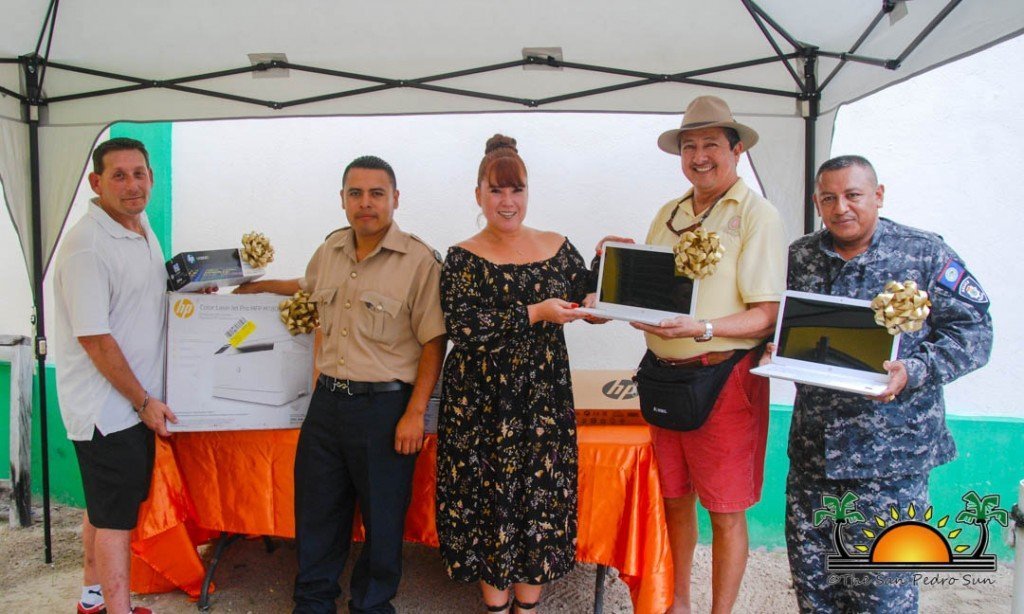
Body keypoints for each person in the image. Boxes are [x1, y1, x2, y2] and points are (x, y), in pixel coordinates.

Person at [597, 95, 786, 613]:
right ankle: (677, 604)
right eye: (689, 147)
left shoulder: (757, 214)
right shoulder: (671, 212)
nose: (699, 157)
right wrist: (617, 272)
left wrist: (704, 328)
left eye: (711, 145)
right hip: (664, 376)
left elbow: (766, 314)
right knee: (674, 499)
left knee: (725, 510)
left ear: (737, 149)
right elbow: (657, 291)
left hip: (724, 379)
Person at [235, 155, 446, 614]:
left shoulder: (419, 261)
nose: (365, 203)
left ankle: (372, 605)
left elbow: (434, 340)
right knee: (318, 512)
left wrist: (415, 412)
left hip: (385, 409)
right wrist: (256, 288)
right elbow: (306, 285)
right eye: (356, 193)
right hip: (328, 404)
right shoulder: (330, 249)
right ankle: (313, 602)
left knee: (382, 519)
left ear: (395, 198)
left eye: (376, 193)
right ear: (343, 199)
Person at [783, 155, 993, 613]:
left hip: (890, 463)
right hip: (814, 458)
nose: (841, 208)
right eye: (829, 198)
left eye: (853, 195)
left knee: (883, 598)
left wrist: (914, 370)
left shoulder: (924, 253)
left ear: (878, 196)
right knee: (816, 594)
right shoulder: (800, 256)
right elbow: (784, 323)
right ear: (817, 203)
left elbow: (975, 333)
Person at [436, 134, 592, 613]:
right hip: (481, 406)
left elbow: (590, 298)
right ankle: (496, 607)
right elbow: (462, 326)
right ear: (478, 194)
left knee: (537, 498)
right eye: (496, 190)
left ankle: (527, 606)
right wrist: (535, 312)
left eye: (516, 190)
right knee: (488, 500)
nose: (508, 201)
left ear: (528, 192)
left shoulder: (558, 247)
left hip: (543, 400)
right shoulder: (462, 257)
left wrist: (609, 264)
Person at [53, 137, 176, 614]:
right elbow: (96, 340)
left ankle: (92, 598)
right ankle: (118, 609)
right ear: (96, 182)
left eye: (139, 173)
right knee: (115, 519)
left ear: (151, 178)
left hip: (131, 402)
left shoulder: (139, 226)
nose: (132, 185)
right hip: (107, 409)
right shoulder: (87, 246)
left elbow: (139, 298)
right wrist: (143, 402)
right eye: (119, 176)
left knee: (103, 506)